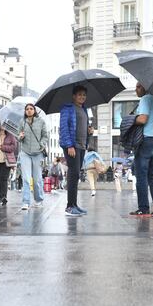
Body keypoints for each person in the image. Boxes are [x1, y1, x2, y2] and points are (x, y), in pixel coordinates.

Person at [129, 82, 153, 217]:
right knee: (152, 176)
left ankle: (143, 208)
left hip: (145, 142)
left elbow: (143, 119)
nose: (135, 89)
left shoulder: (145, 99)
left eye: (138, 86)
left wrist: (131, 119)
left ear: (146, 87)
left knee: (141, 176)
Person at [59, 85, 93, 216]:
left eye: (84, 95)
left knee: (76, 175)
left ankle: (74, 204)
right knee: (73, 175)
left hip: (81, 145)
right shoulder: (67, 108)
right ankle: (69, 206)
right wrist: (69, 146)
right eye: (79, 95)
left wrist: (90, 132)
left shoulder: (84, 110)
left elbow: (83, 129)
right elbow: (64, 128)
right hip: (72, 146)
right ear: (74, 96)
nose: (82, 97)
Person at [18, 103, 48, 210]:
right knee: (26, 178)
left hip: (38, 153)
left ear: (34, 110)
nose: (29, 110)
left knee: (37, 179)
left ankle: (38, 199)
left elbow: (45, 136)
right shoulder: (22, 122)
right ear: (25, 111)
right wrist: (20, 137)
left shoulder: (41, 122)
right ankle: (26, 202)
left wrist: (42, 144)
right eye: (27, 109)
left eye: (31, 109)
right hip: (25, 152)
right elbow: (19, 137)